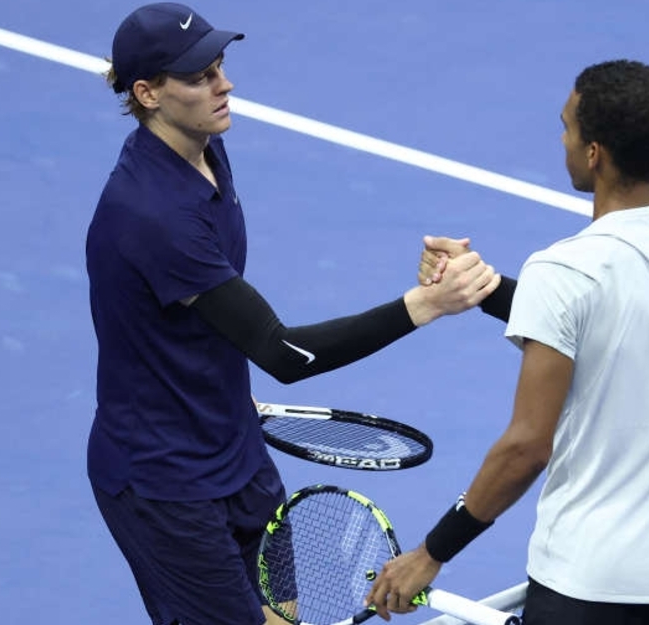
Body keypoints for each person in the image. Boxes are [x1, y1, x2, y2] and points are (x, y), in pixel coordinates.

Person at [84, 4, 502, 624]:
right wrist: (426, 305)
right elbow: (284, 354)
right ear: (148, 93)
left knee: (284, 617)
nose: (223, 85)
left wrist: (212, 390)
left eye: (220, 65)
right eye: (200, 77)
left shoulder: (203, 152)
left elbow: (199, 319)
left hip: (235, 448)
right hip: (164, 481)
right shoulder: (155, 215)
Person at [366, 59, 649, 625]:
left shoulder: (564, 271)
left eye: (567, 127)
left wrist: (431, 553)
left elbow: (526, 447)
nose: (562, 139)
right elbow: (610, 308)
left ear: (593, 153)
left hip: (591, 589)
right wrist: (483, 285)